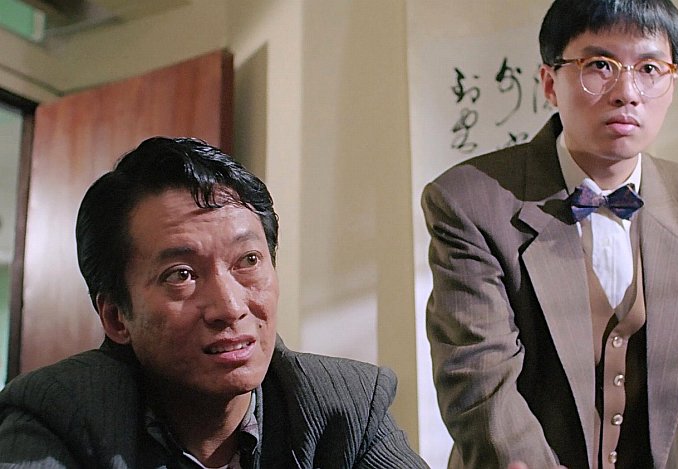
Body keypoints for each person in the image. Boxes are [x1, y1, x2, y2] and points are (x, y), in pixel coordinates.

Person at [421, 0, 678, 468]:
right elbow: (482, 387)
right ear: (550, 83)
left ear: (672, 85)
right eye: (599, 65)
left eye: (650, 69)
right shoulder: (469, 202)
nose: (627, 92)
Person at [0, 137, 428, 469]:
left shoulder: (344, 406)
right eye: (181, 274)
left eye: (248, 261)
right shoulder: (59, 416)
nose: (230, 307)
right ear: (116, 317)